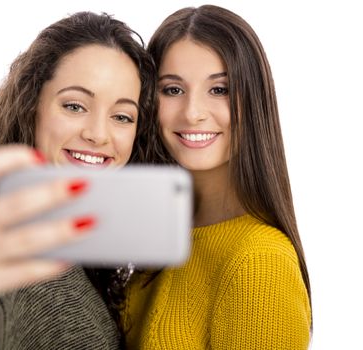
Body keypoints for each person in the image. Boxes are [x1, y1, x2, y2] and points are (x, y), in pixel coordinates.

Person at [0, 11, 165, 349]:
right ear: (32, 106)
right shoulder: (4, 249)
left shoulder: (82, 250)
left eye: (122, 116)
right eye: (74, 106)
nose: (99, 134)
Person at [122, 5, 312, 349]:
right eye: (173, 90)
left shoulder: (259, 262)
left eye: (219, 90)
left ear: (254, 102)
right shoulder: (164, 238)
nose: (193, 113)